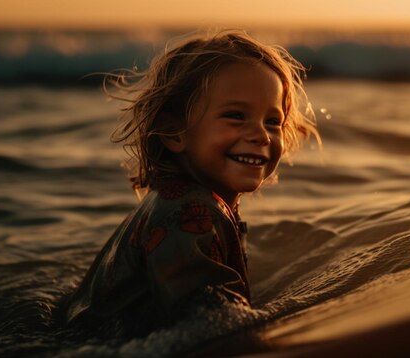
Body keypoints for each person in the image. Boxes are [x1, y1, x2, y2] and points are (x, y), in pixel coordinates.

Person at [61, 30, 319, 336]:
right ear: (174, 133)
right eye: (236, 116)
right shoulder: (192, 211)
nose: (261, 135)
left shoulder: (179, 201)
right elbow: (209, 324)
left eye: (272, 122)